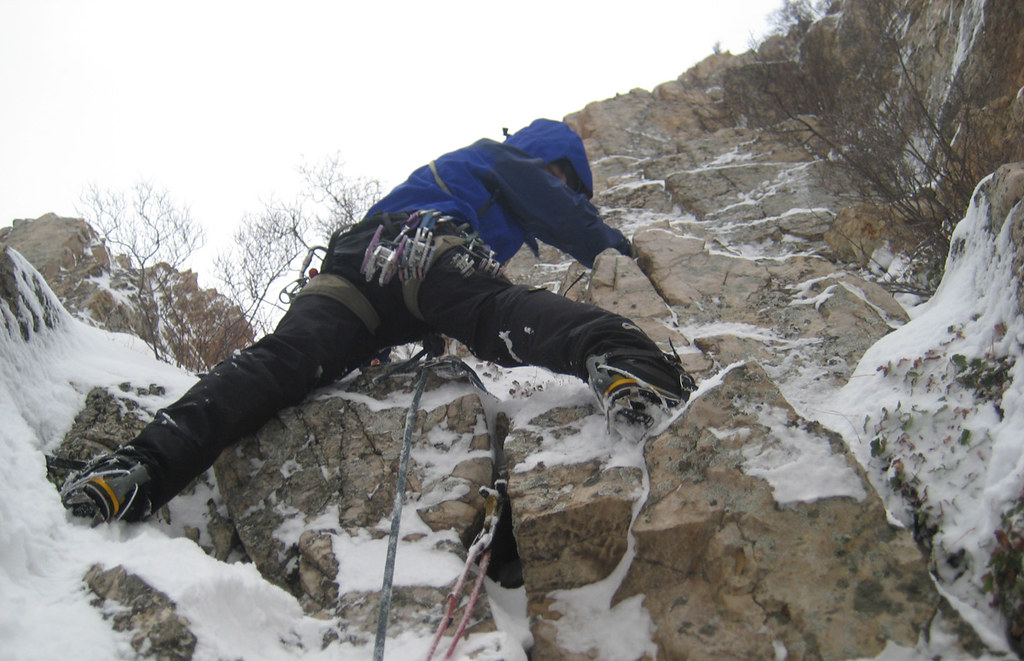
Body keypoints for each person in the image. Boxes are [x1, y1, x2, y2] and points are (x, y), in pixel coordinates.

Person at [60, 119, 695, 523]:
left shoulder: (470, 178)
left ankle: (139, 469)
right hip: (427, 255)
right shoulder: (502, 160)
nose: (562, 187)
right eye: (563, 176)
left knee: (284, 362)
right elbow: (565, 215)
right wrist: (621, 251)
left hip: (355, 270)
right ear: (544, 159)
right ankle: (620, 355)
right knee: (498, 314)